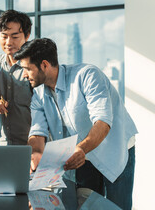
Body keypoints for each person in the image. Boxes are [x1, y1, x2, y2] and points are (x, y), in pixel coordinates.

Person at [13, 38, 138, 210]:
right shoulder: (38, 95)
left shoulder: (87, 75)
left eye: (27, 69)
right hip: (81, 156)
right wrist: (35, 153)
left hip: (114, 150)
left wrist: (81, 149)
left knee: (117, 207)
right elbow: (37, 131)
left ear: (44, 65)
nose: (24, 75)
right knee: (86, 205)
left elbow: (102, 121)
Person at [0, 10, 33, 145]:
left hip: (33, 142)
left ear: (27, 36)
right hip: (5, 142)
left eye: (15, 37)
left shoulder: (33, 66)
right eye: (4, 36)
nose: (8, 42)